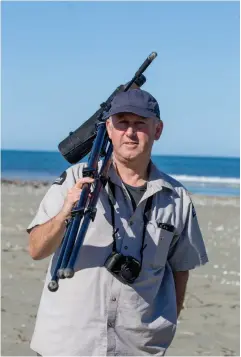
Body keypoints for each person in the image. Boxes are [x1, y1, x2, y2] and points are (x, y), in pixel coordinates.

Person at [27, 89, 208, 356]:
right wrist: (67, 210)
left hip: (138, 348)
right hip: (70, 344)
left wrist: (167, 324)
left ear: (157, 130)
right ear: (108, 129)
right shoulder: (75, 179)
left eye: (140, 124)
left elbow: (180, 269)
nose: (130, 133)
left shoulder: (177, 198)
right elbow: (36, 249)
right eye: (122, 122)